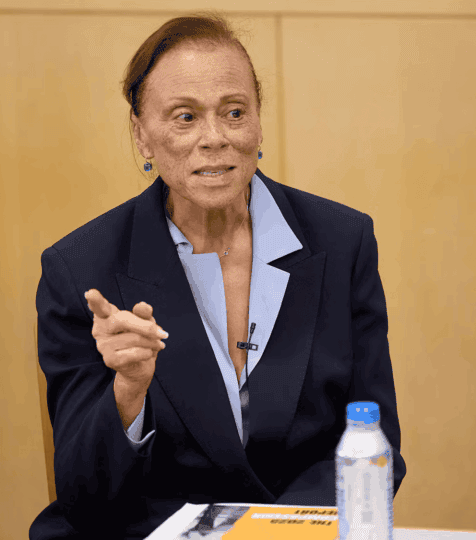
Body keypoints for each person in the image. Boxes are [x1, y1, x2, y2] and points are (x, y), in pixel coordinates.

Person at [29, 12, 406, 540]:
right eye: (184, 117)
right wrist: (128, 395)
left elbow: (374, 439)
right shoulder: (81, 269)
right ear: (141, 133)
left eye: (234, 112)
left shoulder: (341, 243)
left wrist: (277, 533)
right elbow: (83, 496)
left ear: (257, 121)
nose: (215, 138)